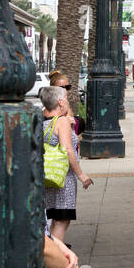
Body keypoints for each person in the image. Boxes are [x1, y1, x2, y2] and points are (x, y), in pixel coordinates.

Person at [41, 84, 92, 242]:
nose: (68, 102)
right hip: (64, 178)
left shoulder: (41, 119)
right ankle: (54, 261)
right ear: (60, 102)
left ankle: (49, 256)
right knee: (62, 219)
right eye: (66, 99)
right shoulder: (61, 122)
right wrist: (81, 175)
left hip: (48, 174)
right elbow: (68, 150)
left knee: (53, 218)